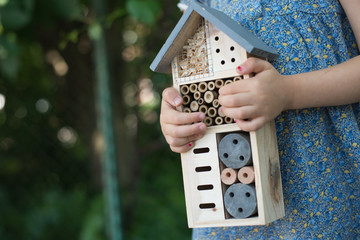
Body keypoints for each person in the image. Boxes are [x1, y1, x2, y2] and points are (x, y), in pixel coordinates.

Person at [160, 0, 360, 239]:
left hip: (322, 194)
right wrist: (177, 116)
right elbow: (188, 65)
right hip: (228, 208)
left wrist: (288, 92)